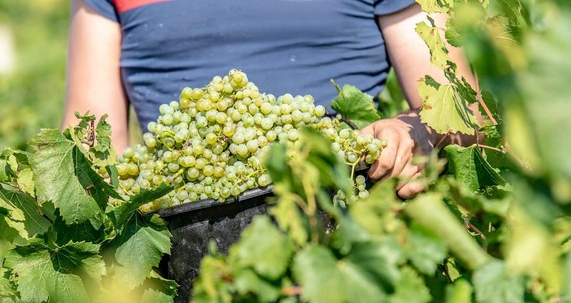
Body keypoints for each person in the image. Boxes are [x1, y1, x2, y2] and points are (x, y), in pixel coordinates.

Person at [63, 0, 475, 199]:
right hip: (183, 240)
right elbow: (91, 142)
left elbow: (464, 111)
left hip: (338, 213)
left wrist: (414, 130)